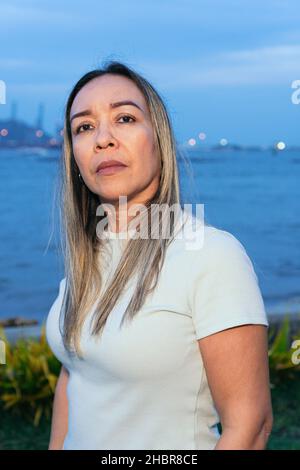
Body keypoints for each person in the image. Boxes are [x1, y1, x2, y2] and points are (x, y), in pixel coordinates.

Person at [46, 61, 273, 450]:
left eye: (125, 118)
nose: (103, 138)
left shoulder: (210, 255)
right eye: (84, 126)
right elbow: (76, 377)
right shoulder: (87, 262)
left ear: (159, 140)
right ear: (75, 159)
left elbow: (249, 428)